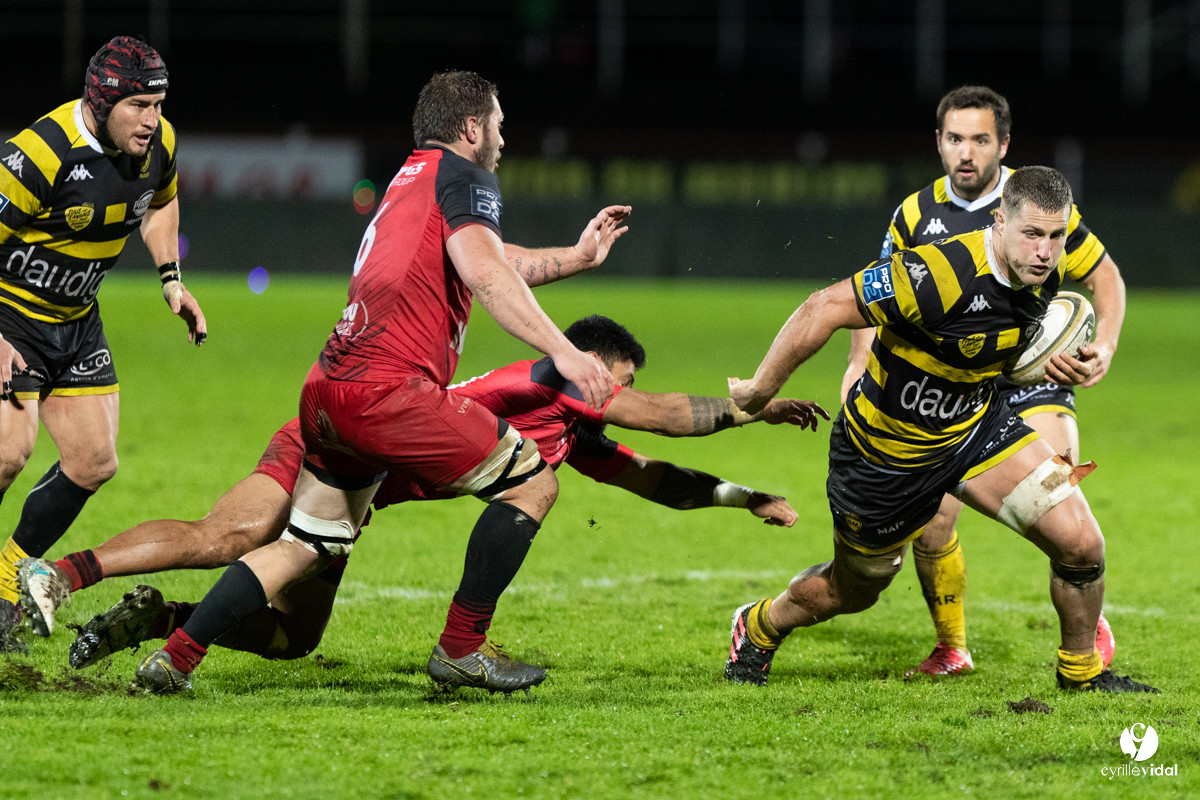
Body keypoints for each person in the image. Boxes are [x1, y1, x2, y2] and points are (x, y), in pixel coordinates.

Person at [96, 69, 633, 697]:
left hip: (329, 387)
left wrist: (576, 258)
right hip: (388, 392)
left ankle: (176, 657)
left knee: (303, 547)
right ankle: (462, 648)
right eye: (498, 125)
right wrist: (565, 352)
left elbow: (488, 258)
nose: (503, 139)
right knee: (533, 483)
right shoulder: (466, 177)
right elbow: (487, 275)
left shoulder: (415, 176)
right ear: (471, 127)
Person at [20, 314, 827, 679]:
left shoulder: (562, 433)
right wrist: (755, 403)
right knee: (226, 536)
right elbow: (661, 416)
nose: (612, 398)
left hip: (361, 487)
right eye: (614, 381)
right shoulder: (548, 377)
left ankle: (161, 620)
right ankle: (61, 574)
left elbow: (651, 476)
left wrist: (746, 497)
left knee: (292, 639)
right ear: (588, 365)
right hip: (333, 443)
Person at [725, 166, 1156, 694]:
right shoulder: (937, 272)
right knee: (854, 590)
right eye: (1032, 234)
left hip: (975, 428)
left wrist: (1059, 362)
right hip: (886, 455)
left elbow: (997, 341)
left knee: (1082, 543)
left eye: (1055, 236)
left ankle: (1082, 673)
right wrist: (758, 391)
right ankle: (759, 624)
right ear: (1000, 222)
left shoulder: (1045, 271)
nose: (1045, 252)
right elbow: (825, 307)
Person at [840, 86, 1125, 676]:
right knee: (933, 523)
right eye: (955, 139)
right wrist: (856, 365)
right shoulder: (914, 214)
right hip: (957, 381)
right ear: (938, 142)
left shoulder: (1037, 204)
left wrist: (1104, 346)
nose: (966, 153)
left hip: (1032, 372)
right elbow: (874, 293)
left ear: (1004, 144)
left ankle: (1085, 617)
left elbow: (1106, 276)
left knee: (1058, 484)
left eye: (980, 140)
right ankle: (952, 647)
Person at [0, 36, 206, 652]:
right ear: (100, 100)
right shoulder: (40, 153)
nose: (152, 120)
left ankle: (6, 584)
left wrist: (171, 279)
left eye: (158, 105)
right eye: (138, 105)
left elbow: (161, 204)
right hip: (12, 318)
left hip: (76, 321)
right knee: (9, 452)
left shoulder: (158, 145)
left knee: (94, 461)